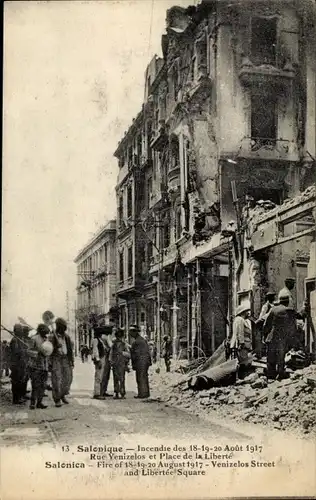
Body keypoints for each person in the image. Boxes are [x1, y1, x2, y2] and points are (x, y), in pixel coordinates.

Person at [263, 291, 297, 380]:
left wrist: (265, 335)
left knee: (270, 356)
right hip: (282, 337)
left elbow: (267, 324)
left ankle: (270, 375)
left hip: (271, 336)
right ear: (287, 302)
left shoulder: (273, 309)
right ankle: (280, 374)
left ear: (280, 301)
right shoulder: (290, 311)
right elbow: (296, 322)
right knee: (281, 356)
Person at [50, 318, 74, 407]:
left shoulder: (67, 337)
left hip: (66, 359)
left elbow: (70, 350)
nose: (64, 328)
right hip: (56, 359)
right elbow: (49, 350)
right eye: (62, 326)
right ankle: (57, 399)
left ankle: (63, 395)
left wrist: (71, 361)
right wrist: (56, 347)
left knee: (68, 378)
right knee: (57, 379)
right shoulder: (52, 336)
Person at [28, 324, 51, 409]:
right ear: (40, 331)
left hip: (44, 366)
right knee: (35, 385)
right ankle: (32, 403)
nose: (46, 334)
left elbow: (48, 351)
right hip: (35, 366)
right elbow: (29, 351)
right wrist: (37, 353)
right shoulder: (34, 339)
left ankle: (39, 402)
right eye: (45, 332)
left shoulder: (46, 339)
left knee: (43, 385)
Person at [130, 324, 152, 399]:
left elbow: (135, 355)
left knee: (140, 378)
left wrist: (133, 364)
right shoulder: (141, 340)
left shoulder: (137, 342)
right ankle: (145, 393)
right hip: (144, 361)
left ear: (135, 332)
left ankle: (142, 394)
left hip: (140, 362)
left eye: (131, 332)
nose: (130, 334)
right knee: (144, 377)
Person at [9, 324, 28, 404]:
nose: (21, 331)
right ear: (16, 331)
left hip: (20, 364)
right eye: (19, 330)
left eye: (21, 330)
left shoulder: (19, 339)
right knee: (16, 381)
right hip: (16, 364)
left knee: (21, 380)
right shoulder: (14, 340)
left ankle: (20, 396)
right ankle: (16, 399)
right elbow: (16, 352)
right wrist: (25, 350)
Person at [109, 328, 130, 399]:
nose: (119, 338)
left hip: (119, 363)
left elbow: (128, 354)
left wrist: (111, 362)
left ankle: (119, 392)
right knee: (120, 378)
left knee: (118, 378)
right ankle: (120, 392)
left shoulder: (120, 345)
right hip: (119, 363)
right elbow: (128, 355)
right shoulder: (119, 345)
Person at [92, 327, 107, 399]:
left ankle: (99, 392)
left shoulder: (100, 340)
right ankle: (97, 394)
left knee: (100, 376)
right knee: (98, 377)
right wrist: (98, 360)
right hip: (100, 359)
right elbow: (95, 350)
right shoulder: (96, 340)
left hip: (102, 359)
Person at [42, 310, 55, 391]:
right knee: (46, 368)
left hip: (50, 350)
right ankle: (45, 384)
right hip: (46, 350)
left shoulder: (50, 328)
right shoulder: (44, 328)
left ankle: (47, 384)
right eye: (51, 319)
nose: (52, 321)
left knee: (49, 368)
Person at [100, 325, 113, 397]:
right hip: (106, 357)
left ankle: (103, 390)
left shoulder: (102, 337)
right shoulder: (106, 337)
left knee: (104, 375)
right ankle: (103, 391)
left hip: (104, 357)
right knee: (105, 375)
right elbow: (111, 346)